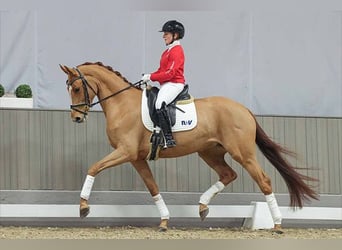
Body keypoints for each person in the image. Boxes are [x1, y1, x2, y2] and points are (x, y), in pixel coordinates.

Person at [141, 20, 186, 148]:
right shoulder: (167, 51)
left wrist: (151, 77)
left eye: (166, 33)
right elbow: (161, 71)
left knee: (160, 103)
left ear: (175, 35)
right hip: (166, 84)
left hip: (174, 83)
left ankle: (168, 138)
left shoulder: (177, 50)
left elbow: (170, 73)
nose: (163, 36)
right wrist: (149, 76)